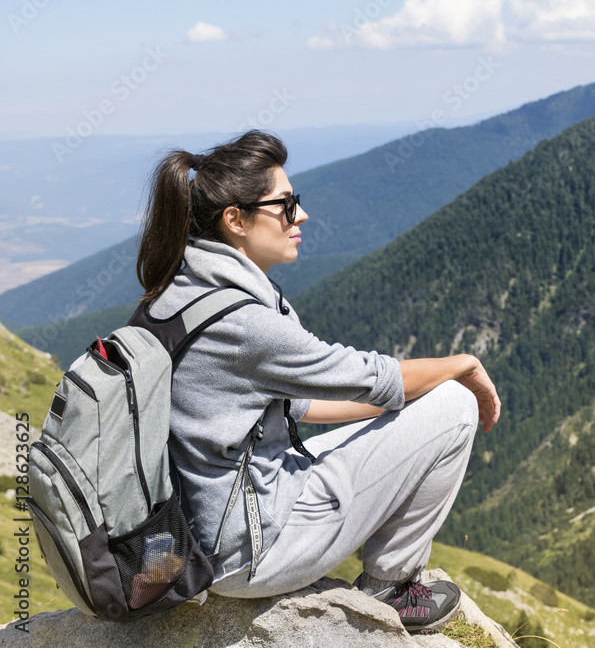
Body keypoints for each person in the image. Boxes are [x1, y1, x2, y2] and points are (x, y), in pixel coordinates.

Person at [134, 130, 500, 632]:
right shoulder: (245, 324)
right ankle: (391, 587)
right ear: (235, 220)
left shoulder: (174, 293)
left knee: (425, 401)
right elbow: (369, 376)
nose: (300, 215)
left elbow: (300, 404)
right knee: (456, 405)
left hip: (197, 538)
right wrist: (463, 366)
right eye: (285, 205)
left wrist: (398, 414)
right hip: (253, 552)